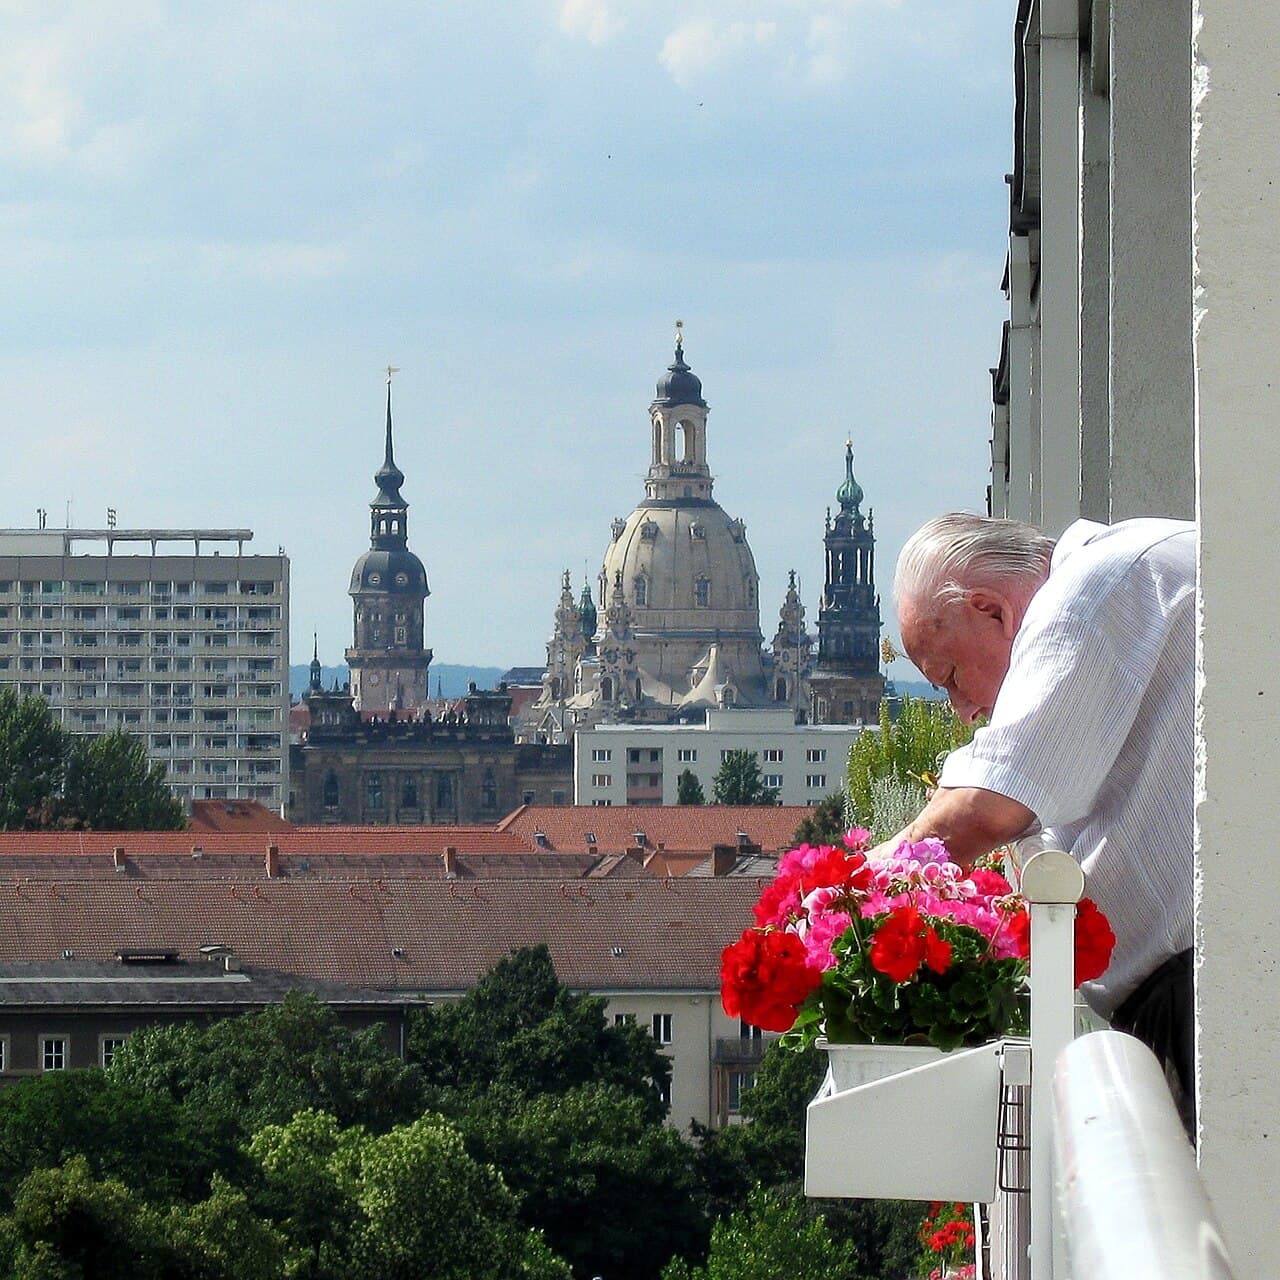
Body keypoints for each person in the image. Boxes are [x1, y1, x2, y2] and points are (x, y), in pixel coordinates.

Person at [881, 512, 1196, 1117]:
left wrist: (835, 902)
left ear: (990, 609)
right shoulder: (1120, 573)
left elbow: (989, 806)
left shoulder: (1090, 592)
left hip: (1205, 999)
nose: (963, 711)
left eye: (949, 678)